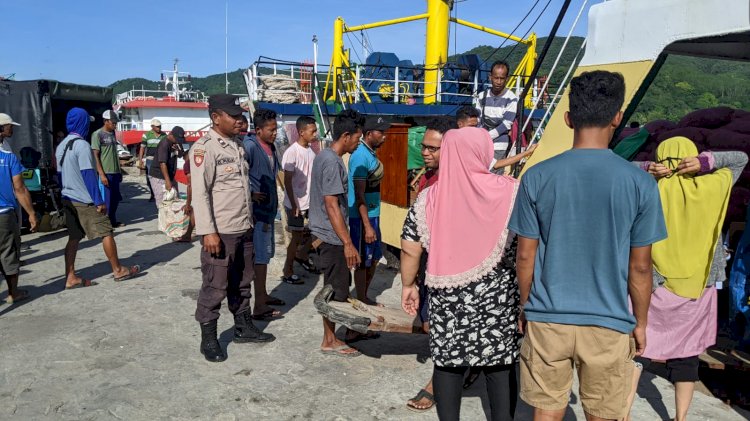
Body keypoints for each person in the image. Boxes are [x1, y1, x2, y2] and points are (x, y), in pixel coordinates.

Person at [508, 70, 667, 421]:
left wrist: (526, 306)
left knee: (545, 413)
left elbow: (524, 255)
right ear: (617, 117)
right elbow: (640, 267)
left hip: (548, 318)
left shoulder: (536, 177)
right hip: (609, 322)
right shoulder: (640, 184)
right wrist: (640, 322)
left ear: (567, 119)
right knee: (603, 415)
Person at [401, 127, 521, 421]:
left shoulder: (428, 198)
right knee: (500, 364)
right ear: (484, 153)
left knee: (447, 364)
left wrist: (408, 285)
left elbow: (410, 247)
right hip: (499, 298)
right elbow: (528, 248)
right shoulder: (512, 191)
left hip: (447, 298)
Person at [624, 138, 748, 421]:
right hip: (696, 287)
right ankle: (680, 417)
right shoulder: (713, 187)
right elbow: (740, 158)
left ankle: (623, 414)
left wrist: (646, 167)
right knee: (687, 358)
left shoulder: (649, 187)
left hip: (653, 284)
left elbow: (617, 169)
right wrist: (707, 162)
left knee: (636, 353)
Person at [191, 94, 274, 363]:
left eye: (240, 116)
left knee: (243, 280)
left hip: (243, 226)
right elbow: (200, 194)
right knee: (215, 285)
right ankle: (209, 338)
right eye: (234, 116)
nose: (240, 120)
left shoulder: (237, 146)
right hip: (221, 232)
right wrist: (208, 232)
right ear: (216, 117)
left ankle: (243, 326)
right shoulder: (205, 149)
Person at [56, 108, 141, 289]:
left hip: (67, 197)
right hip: (83, 199)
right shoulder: (82, 145)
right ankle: (118, 270)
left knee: (74, 237)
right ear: (82, 123)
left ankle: (70, 276)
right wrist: (99, 200)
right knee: (106, 231)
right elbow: (88, 175)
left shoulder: (61, 146)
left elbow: (59, 175)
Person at [403, 116, 452, 413]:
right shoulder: (428, 177)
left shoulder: (454, 184)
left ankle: (438, 382)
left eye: (433, 148)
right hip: (429, 265)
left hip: (449, 268)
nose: (426, 152)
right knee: (428, 323)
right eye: (424, 147)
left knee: (438, 325)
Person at [310, 109, 364, 357]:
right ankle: (329, 339)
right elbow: (332, 204)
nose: (358, 142)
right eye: (357, 137)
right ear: (346, 135)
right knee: (335, 289)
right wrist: (347, 243)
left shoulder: (325, 157)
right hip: (331, 237)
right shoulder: (331, 162)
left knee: (337, 286)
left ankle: (337, 334)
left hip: (329, 234)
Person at [244, 108, 284, 320]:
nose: (275, 133)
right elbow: (238, 176)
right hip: (257, 214)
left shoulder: (271, 147)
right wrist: (250, 194)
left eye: (276, 128)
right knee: (260, 258)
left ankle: (263, 294)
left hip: (269, 211)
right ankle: (259, 305)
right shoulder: (249, 146)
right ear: (258, 130)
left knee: (265, 257)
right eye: (271, 129)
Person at [348, 116, 389, 311]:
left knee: (372, 258)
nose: (385, 137)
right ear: (369, 133)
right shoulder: (360, 156)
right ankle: (361, 297)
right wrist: (366, 226)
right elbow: (359, 193)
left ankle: (363, 295)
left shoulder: (370, 153)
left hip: (373, 213)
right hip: (362, 216)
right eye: (381, 132)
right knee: (364, 260)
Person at [0, 113, 38, 303]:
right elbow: (20, 188)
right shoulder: (9, 157)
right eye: (9, 126)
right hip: (4, 215)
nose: (12, 129)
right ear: (1, 130)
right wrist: (31, 213)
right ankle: (13, 292)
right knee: (9, 253)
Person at [281, 116, 319, 284]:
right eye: (313, 131)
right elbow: (287, 181)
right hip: (295, 203)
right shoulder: (292, 152)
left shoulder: (311, 151)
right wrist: (294, 203)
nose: (316, 134)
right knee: (295, 237)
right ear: (302, 132)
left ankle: (302, 255)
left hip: (310, 201)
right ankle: (287, 271)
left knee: (319, 230)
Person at [477, 61, 518, 159]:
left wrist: (487, 136)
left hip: (500, 143)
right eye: (496, 78)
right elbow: (477, 119)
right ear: (490, 77)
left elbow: (507, 123)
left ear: (507, 79)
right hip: (481, 141)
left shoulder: (511, 98)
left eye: (502, 78)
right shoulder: (481, 96)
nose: (499, 82)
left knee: (495, 170)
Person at [91, 110, 124, 227]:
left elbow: (114, 154)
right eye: (113, 122)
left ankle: (112, 221)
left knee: (115, 199)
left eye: (116, 123)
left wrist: (120, 171)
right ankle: (105, 224)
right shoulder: (97, 134)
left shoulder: (112, 134)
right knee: (107, 200)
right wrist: (101, 174)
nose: (115, 125)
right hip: (106, 172)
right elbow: (95, 155)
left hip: (115, 172)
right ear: (106, 121)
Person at [148, 126, 185, 208]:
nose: (178, 141)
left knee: (175, 199)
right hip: (158, 176)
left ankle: (171, 220)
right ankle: (163, 220)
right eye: (176, 139)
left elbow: (180, 155)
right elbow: (162, 163)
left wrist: (179, 148)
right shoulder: (164, 144)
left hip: (170, 175)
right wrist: (167, 181)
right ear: (171, 134)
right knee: (163, 203)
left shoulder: (176, 142)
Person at [139, 119, 167, 202]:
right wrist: (140, 160)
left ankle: (160, 194)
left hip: (160, 159)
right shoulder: (146, 135)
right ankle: (153, 194)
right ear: (152, 127)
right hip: (150, 160)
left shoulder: (164, 135)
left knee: (161, 177)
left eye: (160, 126)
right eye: (157, 127)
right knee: (150, 177)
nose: (159, 128)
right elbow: (142, 148)